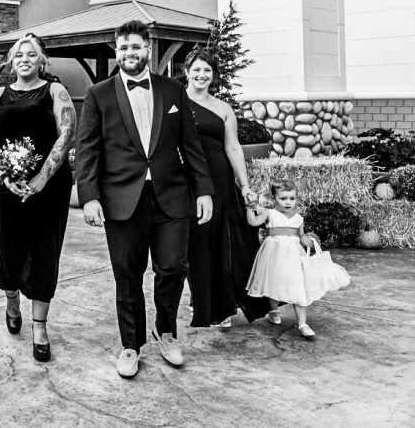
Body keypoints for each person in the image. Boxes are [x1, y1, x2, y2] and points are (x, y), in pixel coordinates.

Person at [76, 19, 215, 379]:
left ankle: (165, 330)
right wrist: (89, 197)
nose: (130, 53)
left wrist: (204, 190)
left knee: (172, 268)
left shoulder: (172, 90)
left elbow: (191, 145)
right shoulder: (99, 94)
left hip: (172, 196)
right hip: (121, 200)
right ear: (116, 51)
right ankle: (131, 344)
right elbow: (88, 150)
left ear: (146, 50)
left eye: (136, 47)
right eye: (123, 48)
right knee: (127, 274)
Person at [0, 34, 75, 362]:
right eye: (18, 54)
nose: (24, 58)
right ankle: (10, 300)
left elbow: (67, 134)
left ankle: (39, 326)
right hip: (8, 188)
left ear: (42, 61)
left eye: (31, 54)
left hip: (49, 188)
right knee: (9, 248)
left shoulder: (55, 91)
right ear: (10, 61)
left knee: (44, 251)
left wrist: (41, 178)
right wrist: (4, 173)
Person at [183, 49, 271, 328]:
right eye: (196, 69)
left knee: (230, 241)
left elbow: (232, 147)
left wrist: (244, 186)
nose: (201, 75)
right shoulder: (175, 103)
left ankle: (227, 304)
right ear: (186, 71)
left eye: (207, 70)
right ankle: (203, 299)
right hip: (188, 180)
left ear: (213, 75)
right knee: (197, 242)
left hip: (220, 178)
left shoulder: (222, 108)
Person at [246, 179, 350, 339]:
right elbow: (253, 222)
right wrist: (249, 207)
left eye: (292, 198)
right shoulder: (270, 213)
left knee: (298, 287)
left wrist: (305, 240)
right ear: (274, 199)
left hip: (293, 257)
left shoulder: (298, 218)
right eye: (283, 198)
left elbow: (300, 236)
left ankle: (303, 323)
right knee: (273, 282)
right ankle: (273, 309)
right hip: (273, 254)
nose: (288, 202)